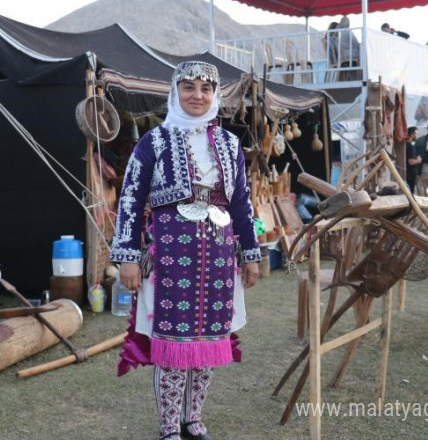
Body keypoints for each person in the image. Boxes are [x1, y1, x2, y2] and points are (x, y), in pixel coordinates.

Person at [110, 61, 260, 440]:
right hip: (170, 258)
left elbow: (242, 203)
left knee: (209, 342)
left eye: (206, 89)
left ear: (215, 95)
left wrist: (252, 253)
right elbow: (129, 199)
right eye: (189, 87)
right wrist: (127, 256)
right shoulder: (155, 142)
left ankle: (193, 419)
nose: (198, 95)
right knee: (172, 344)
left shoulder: (229, 144)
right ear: (175, 91)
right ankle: (168, 428)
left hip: (220, 256)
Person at [337, 16, 361, 81]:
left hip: (341, 55)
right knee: (362, 53)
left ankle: (352, 76)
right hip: (348, 54)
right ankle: (359, 76)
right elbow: (355, 43)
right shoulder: (348, 32)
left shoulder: (338, 32)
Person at [405, 126, 421, 192]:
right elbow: (410, 161)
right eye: (416, 134)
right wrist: (418, 160)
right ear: (412, 134)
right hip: (410, 173)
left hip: (408, 172)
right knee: (411, 191)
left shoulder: (406, 145)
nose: (417, 135)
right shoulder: (410, 146)